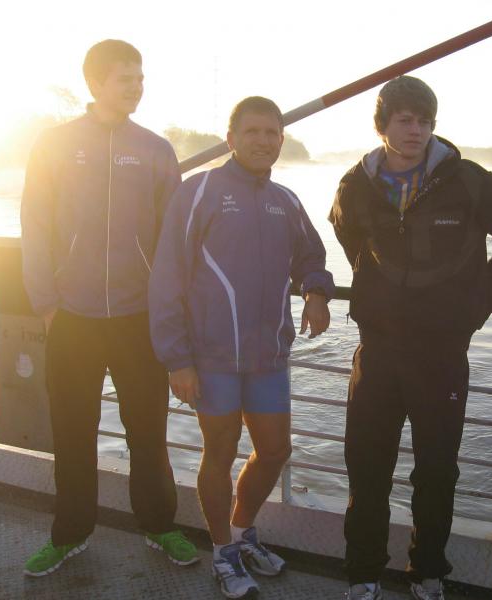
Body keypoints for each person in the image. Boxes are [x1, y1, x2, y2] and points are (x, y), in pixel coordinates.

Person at [329, 75, 492, 600]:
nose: (416, 130)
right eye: (405, 120)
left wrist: (482, 296)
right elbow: (346, 231)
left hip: (441, 352)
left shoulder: (465, 179)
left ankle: (427, 572)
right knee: (367, 467)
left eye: (425, 121)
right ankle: (363, 574)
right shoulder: (356, 184)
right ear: (383, 125)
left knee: (437, 471)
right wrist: (377, 288)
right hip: (377, 352)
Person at [20, 40, 198, 576]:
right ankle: (69, 534)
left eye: (140, 77)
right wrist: (47, 305)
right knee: (73, 432)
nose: (136, 87)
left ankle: (160, 525)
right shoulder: (55, 144)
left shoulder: (155, 149)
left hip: (137, 318)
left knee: (147, 431)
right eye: (125, 78)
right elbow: (35, 225)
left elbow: (172, 238)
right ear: (95, 82)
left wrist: (170, 310)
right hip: (71, 317)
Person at [149, 96, 334, 599]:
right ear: (230, 139)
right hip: (211, 359)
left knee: (274, 451)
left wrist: (316, 291)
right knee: (220, 452)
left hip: (268, 356)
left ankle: (242, 530)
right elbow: (167, 278)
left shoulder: (285, 200)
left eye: (272, 133)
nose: (262, 141)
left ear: (281, 140)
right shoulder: (199, 191)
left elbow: (311, 254)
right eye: (252, 132)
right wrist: (177, 359)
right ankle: (222, 552)